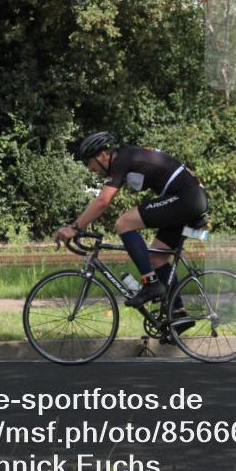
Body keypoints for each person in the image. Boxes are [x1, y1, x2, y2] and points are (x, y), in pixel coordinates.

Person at [54, 132, 208, 326]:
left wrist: (74, 227)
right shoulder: (128, 157)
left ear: (103, 155)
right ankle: (178, 314)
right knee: (157, 258)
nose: (90, 169)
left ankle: (150, 283)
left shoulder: (123, 159)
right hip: (188, 199)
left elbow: (103, 201)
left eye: (89, 162)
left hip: (186, 199)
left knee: (123, 223)